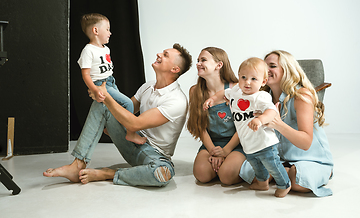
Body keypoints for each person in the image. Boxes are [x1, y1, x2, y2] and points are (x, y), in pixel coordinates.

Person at [43, 43, 193, 187]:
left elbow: (135, 124)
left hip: (153, 155)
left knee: (163, 173)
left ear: (175, 69)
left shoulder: (177, 100)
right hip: (132, 141)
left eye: (165, 55)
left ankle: (109, 173)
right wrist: (101, 97)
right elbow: (126, 109)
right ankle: (78, 165)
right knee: (102, 103)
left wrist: (106, 95)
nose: (159, 54)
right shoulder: (148, 86)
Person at [242, 50, 334, 197]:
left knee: (297, 181)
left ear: (287, 70)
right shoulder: (263, 98)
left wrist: (278, 124)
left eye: (272, 66)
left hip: (311, 160)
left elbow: (306, 143)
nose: (266, 70)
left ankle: (286, 172)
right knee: (246, 172)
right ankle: (282, 170)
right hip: (281, 158)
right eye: (264, 66)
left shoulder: (301, 96)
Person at [204, 57, 291, 197]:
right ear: (238, 77)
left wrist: (261, 120)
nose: (247, 82)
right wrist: (213, 99)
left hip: (265, 142)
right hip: (248, 143)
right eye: (243, 77)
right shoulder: (236, 91)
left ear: (263, 82)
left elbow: (272, 112)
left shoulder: (260, 96)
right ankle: (262, 183)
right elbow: (224, 93)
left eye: (253, 79)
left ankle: (284, 184)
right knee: (256, 165)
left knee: (273, 166)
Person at [187, 47, 247, 185]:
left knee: (226, 176)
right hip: (212, 144)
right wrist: (213, 151)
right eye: (198, 60)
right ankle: (220, 165)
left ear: (219, 65)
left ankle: (237, 165)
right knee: (201, 174)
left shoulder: (237, 88)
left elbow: (243, 125)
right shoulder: (194, 91)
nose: (198, 63)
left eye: (203, 60)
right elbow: (199, 126)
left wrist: (226, 151)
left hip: (237, 143)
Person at [78, 13, 137, 143]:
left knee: (118, 106)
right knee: (128, 103)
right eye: (107, 29)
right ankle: (130, 132)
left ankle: (111, 129)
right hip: (101, 84)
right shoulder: (88, 50)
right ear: (96, 30)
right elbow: (85, 74)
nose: (110, 33)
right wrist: (94, 89)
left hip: (111, 81)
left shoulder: (106, 49)